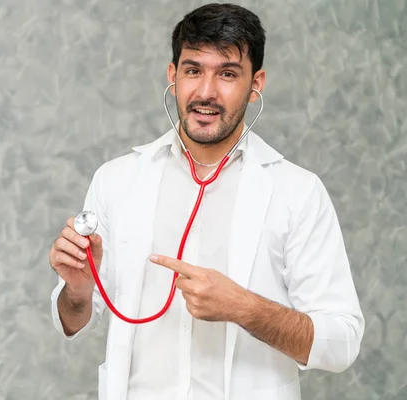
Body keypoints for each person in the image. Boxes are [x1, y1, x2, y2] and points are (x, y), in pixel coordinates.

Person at [48, 3, 364, 400]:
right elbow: (76, 319)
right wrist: (77, 290)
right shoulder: (116, 180)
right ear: (172, 75)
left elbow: (342, 343)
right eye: (193, 70)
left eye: (228, 74)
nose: (206, 92)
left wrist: (244, 307)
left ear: (256, 85)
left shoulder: (297, 192)